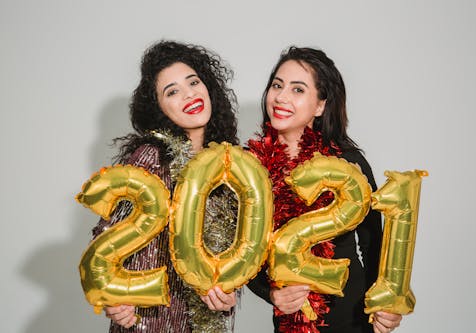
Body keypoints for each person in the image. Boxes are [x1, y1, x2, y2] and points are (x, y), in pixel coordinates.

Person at [246, 46, 403, 333]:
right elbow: (243, 252)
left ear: (320, 105)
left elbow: (374, 244)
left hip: (351, 317)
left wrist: (385, 304)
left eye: (297, 90)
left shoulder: (347, 162)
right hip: (290, 321)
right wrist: (270, 293)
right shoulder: (249, 168)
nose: (281, 97)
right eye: (277, 85)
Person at [91, 40, 240, 333]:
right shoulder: (152, 158)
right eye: (172, 91)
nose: (189, 94)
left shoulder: (230, 168)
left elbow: (235, 251)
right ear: (159, 108)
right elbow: (105, 236)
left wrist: (229, 292)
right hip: (152, 322)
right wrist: (112, 296)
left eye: (193, 82)